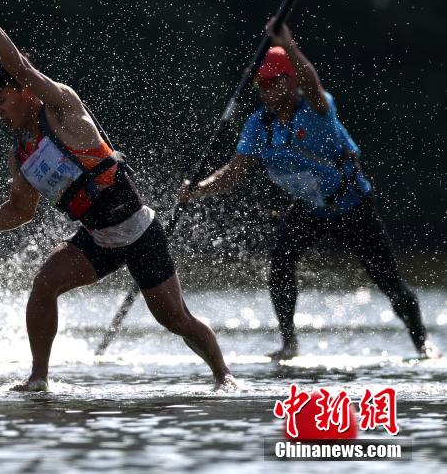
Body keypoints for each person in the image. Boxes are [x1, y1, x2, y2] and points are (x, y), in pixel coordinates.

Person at [0, 0, 236, 391]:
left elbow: (21, 67)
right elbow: (19, 211)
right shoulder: (21, 156)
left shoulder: (61, 107)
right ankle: (38, 378)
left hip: (137, 229)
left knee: (174, 319)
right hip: (97, 239)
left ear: (25, 91)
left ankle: (224, 375)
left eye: (2, 100)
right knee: (45, 282)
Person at [180, 18, 438, 360]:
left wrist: (288, 45)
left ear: (291, 81)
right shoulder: (259, 124)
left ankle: (422, 344)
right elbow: (233, 172)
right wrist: (197, 189)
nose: (266, 89)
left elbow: (312, 83)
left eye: (273, 81)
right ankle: (289, 344)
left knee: (389, 282)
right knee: (281, 264)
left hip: (352, 206)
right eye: (261, 83)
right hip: (311, 208)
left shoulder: (316, 109)